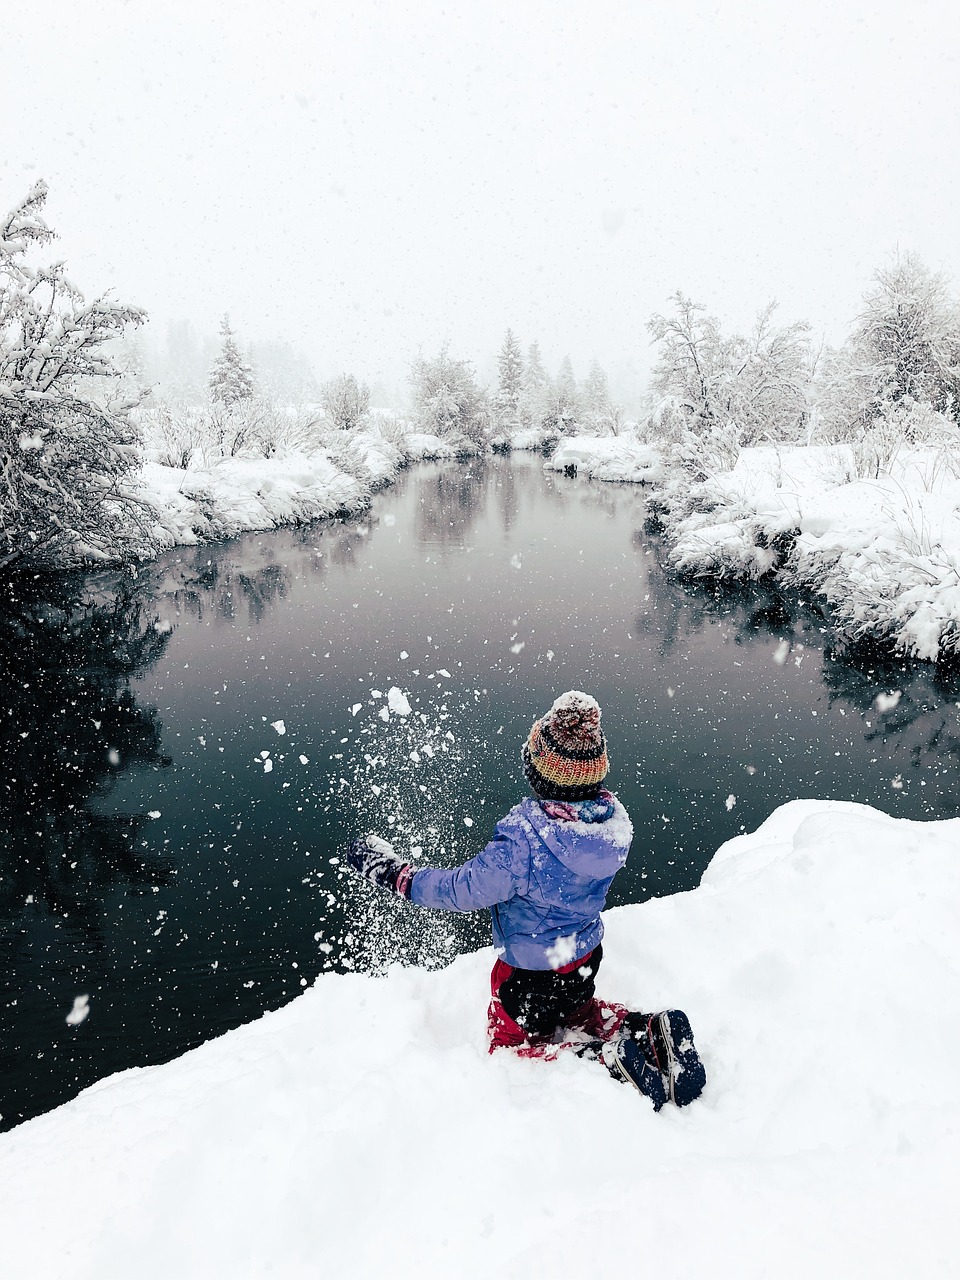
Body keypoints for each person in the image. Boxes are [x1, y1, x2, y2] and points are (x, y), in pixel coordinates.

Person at [346, 689, 705, 1110]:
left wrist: (399, 876)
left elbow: (461, 890)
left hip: (527, 976)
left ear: (539, 772)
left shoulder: (523, 844)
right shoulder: (612, 828)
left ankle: (597, 1060)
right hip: (584, 957)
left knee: (510, 1049)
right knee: (578, 1014)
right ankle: (648, 1030)